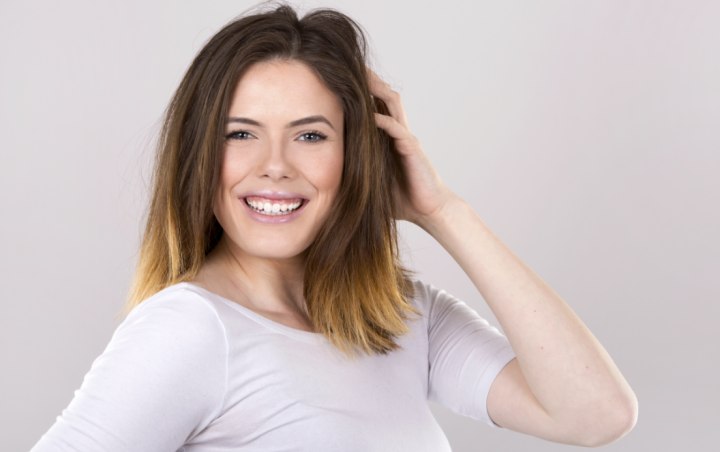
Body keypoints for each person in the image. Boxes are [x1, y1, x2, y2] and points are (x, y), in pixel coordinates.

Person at [32, 4, 637, 451]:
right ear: (198, 156)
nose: (274, 164)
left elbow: (594, 415)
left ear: (358, 155)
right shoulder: (190, 329)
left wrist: (440, 211)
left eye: (311, 135)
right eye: (239, 133)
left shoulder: (399, 318)